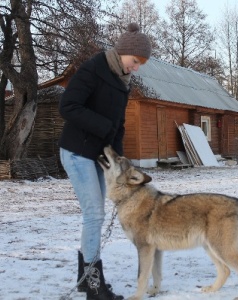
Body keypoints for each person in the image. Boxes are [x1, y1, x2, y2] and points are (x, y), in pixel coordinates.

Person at [58, 23, 152, 300]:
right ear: (122, 53)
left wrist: (120, 163)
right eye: (135, 61)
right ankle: (93, 285)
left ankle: (86, 280)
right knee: (94, 215)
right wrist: (102, 127)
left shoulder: (123, 82)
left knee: (96, 217)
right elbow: (69, 106)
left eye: (140, 64)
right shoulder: (93, 69)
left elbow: (118, 127)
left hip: (99, 155)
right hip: (77, 152)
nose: (136, 68)